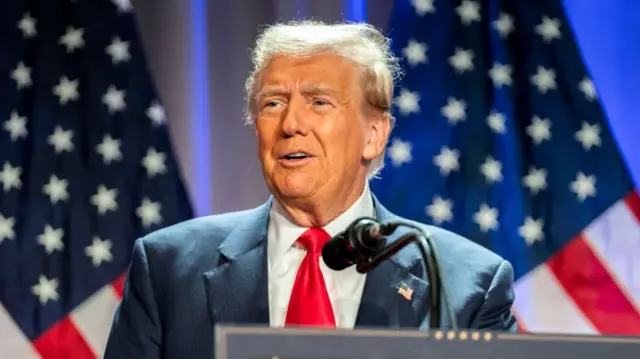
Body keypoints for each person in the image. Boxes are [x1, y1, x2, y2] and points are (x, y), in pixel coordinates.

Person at [103, 19, 517, 359]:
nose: (290, 124)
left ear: (374, 135)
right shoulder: (167, 268)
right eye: (273, 103)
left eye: (319, 102)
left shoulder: (468, 284)